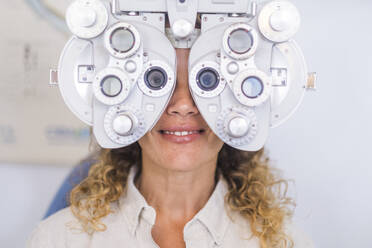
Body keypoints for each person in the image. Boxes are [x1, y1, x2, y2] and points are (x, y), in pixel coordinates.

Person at [27, 48, 313, 248]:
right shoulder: (59, 240)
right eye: (156, 81)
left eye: (208, 82)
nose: (183, 105)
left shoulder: (283, 243)